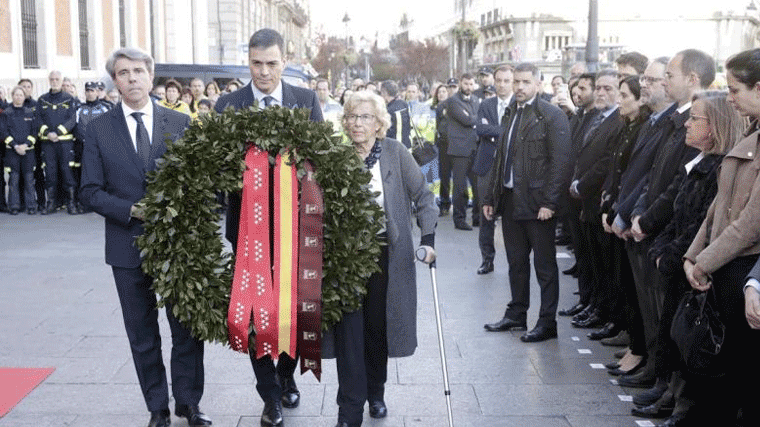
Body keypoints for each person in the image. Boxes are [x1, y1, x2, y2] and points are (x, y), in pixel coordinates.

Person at [79, 47, 211, 427]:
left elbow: (198, 181)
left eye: (138, 70)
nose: (132, 78)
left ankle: (188, 402)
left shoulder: (180, 123)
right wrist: (130, 210)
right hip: (126, 245)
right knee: (142, 333)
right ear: (115, 81)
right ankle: (158, 407)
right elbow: (88, 190)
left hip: (177, 247)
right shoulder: (99, 128)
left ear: (150, 76)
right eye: (123, 73)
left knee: (186, 328)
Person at [213, 28, 323, 427]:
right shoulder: (229, 104)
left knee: (292, 305)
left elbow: (319, 161)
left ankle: (287, 374)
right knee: (256, 312)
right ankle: (270, 396)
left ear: (285, 60)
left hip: (295, 229)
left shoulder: (305, 100)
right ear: (248, 61)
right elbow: (217, 167)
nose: (263, 72)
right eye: (256, 64)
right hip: (247, 231)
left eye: (272, 63)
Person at [325, 89, 437, 427]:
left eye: (365, 117)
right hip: (345, 258)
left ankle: (376, 390)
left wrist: (428, 238)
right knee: (349, 333)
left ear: (379, 124)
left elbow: (423, 196)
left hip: (385, 255)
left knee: (376, 330)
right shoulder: (335, 155)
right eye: (351, 117)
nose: (356, 124)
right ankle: (349, 409)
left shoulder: (395, 152)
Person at [632, 92, 744, 423]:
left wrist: (676, 255)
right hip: (680, 261)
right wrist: (664, 248)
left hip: (696, 267)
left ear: (716, 126)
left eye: (695, 118)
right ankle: (670, 390)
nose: (686, 123)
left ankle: (683, 401)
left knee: (691, 340)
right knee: (673, 332)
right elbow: (677, 208)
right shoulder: (698, 163)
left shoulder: (718, 168)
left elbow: (703, 224)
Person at [680, 48, 760, 427]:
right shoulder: (752, 130)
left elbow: (750, 223)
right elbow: (719, 204)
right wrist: (695, 254)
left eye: (734, 90)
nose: (728, 98)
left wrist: (704, 261)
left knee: (745, 377)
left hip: (741, 269)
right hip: (725, 267)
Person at [482, 62, 572, 342]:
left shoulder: (552, 116)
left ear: (538, 84)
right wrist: (490, 197)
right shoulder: (511, 112)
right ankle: (516, 314)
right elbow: (501, 159)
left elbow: (561, 163)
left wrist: (550, 202)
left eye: (524, 82)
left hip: (538, 204)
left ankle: (547, 322)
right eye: (516, 82)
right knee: (516, 262)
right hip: (511, 200)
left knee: (544, 266)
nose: (518, 87)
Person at [568, 69, 625, 330]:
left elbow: (606, 163)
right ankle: (594, 304)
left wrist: (583, 184)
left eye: (608, 89)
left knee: (605, 263)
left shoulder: (618, 121)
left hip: (600, 200)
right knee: (592, 259)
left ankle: (605, 311)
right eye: (599, 88)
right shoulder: (597, 118)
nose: (601, 93)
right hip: (587, 202)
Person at [473, 65, 513, 274]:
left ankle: (515, 263)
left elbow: (515, 134)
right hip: (487, 165)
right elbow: (480, 128)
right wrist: (505, 132)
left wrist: (494, 132)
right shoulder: (486, 104)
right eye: (499, 80)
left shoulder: (519, 105)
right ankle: (487, 259)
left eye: (507, 81)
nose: (502, 84)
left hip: (511, 167)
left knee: (510, 215)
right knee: (485, 214)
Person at [35, 70, 78, 215]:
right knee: (50, 172)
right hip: (48, 143)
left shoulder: (68, 98)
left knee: (67, 172)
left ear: (61, 81)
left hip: (65, 143)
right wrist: (48, 133)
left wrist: (58, 132)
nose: (54, 81)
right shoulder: (42, 99)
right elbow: (38, 119)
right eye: (52, 79)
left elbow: (72, 119)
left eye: (57, 79)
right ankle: (51, 203)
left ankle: (71, 203)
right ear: (49, 80)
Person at [445, 74, 480, 230]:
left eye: (471, 84)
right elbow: (467, 120)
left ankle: (477, 218)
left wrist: (474, 118)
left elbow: (474, 119)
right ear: (461, 83)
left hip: (474, 147)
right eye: (466, 83)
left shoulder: (475, 100)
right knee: (460, 187)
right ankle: (459, 219)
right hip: (459, 150)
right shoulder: (453, 101)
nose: (468, 87)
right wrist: (475, 119)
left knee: (478, 186)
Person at [1, 86, 37, 215]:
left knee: (29, 180)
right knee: (14, 181)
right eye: (16, 95)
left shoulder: (29, 112)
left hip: (28, 152)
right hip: (12, 153)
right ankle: (14, 206)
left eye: (21, 95)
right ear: (12, 96)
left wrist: (25, 145)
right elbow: (4, 133)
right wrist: (16, 146)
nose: (18, 97)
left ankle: (31, 206)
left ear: (24, 97)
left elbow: (34, 132)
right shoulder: (6, 113)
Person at [432, 84, 452, 216]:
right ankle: (444, 203)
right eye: (439, 92)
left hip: (454, 144)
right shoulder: (434, 108)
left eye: (444, 91)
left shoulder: (453, 106)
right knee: (443, 175)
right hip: (441, 144)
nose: (441, 94)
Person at [380, 80, 411, 148]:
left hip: (395, 148)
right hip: (406, 145)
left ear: (385, 93)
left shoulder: (388, 110)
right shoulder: (403, 104)